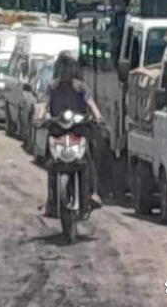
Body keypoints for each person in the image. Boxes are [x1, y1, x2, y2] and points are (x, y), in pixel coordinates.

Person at [43, 53, 103, 217]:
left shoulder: (81, 87)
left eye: (68, 67)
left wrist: (97, 117)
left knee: (91, 155)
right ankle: (51, 200)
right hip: (58, 132)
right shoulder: (52, 87)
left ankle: (93, 193)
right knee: (49, 161)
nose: (65, 71)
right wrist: (41, 116)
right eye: (62, 67)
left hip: (79, 131)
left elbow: (91, 103)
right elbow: (44, 104)